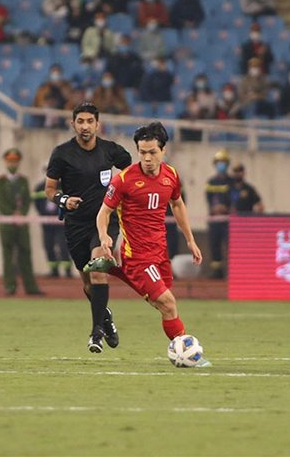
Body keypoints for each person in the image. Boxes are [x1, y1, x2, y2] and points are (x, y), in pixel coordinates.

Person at [84, 121, 211, 367]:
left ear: (163, 150)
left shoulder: (171, 175)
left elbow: (177, 204)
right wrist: (104, 236)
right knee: (168, 303)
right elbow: (104, 212)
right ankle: (188, 354)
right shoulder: (124, 180)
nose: (147, 158)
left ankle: (115, 270)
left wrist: (190, 239)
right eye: (142, 152)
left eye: (152, 152)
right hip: (138, 255)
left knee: (162, 306)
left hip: (160, 253)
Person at [44, 102, 132, 352]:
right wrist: (63, 200)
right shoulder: (61, 153)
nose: (85, 126)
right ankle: (106, 317)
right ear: (72, 124)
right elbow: (49, 189)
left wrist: (125, 194)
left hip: (105, 222)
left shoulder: (111, 150)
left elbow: (130, 172)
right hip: (76, 225)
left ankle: (96, 333)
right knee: (88, 284)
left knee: (98, 271)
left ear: (97, 124)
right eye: (80, 121)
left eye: (89, 121)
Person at [0, 148, 43, 296]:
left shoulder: (23, 181)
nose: (13, 164)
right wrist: (12, 214)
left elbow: (27, 200)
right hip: (7, 225)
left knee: (25, 255)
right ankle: (10, 286)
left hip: (22, 224)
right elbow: (1, 203)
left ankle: (30, 286)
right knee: (8, 256)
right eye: (10, 161)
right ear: (5, 162)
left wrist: (22, 214)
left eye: (15, 161)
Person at [32, 168, 72, 278]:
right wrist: (43, 215)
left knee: (63, 246)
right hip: (47, 224)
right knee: (48, 245)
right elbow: (37, 204)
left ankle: (67, 270)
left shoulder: (65, 186)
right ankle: (54, 270)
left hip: (61, 223)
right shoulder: (40, 187)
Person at [205, 149, 233, 279]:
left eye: (223, 162)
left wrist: (226, 208)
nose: (221, 165)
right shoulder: (211, 182)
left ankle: (233, 270)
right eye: (219, 162)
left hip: (228, 221)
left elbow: (233, 199)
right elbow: (209, 200)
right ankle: (217, 271)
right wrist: (215, 209)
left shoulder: (231, 182)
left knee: (230, 246)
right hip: (214, 220)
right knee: (214, 245)